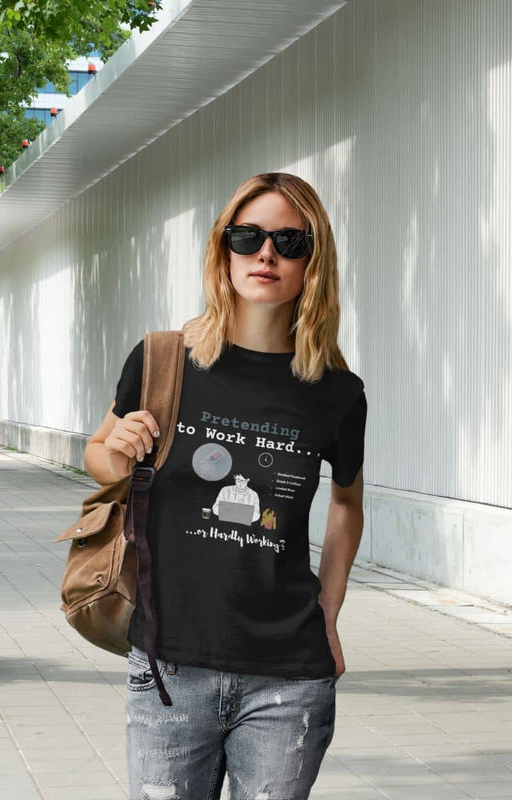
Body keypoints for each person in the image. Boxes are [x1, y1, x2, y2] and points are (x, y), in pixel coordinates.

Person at [84, 172, 367, 800]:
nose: (266, 254)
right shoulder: (164, 358)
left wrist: (330, 612)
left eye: (291, 243)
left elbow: (347, 501)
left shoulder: (337, 392)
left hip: (288, 678)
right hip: (169, 664)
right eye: (249, 236)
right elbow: (98, 456)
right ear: (225, 249)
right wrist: (120, 452)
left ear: (313, 264)